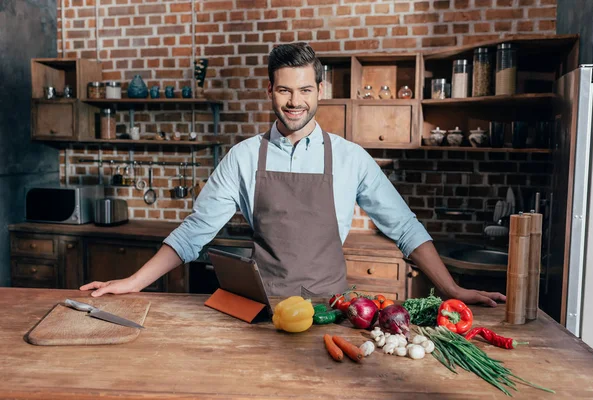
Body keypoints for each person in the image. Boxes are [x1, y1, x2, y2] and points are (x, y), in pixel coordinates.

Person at [81, 42, 505, 307]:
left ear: (319, 91)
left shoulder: (351, 158)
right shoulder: (244, 158)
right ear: (270, 91)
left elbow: (405, 229)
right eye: (284, 89)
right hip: (261, 309)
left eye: (304, 90)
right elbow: (194, 233)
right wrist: (134, 282)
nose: (294, 101)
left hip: (333, 310)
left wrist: (452, 290)